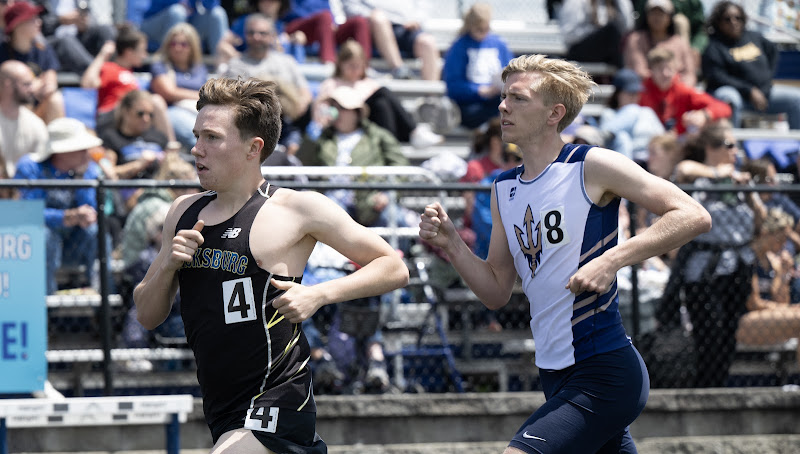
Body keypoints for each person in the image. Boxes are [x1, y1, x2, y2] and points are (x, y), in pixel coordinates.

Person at [418, 54, 711, 452]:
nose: (502, 106)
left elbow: (693, 215)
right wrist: (453, 245)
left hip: (605, 370)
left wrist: (612, 259)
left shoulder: (590, 164)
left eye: (518, 98)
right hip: (554, 374)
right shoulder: (504, 187)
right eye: (503, 96)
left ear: (555, 113)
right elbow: (496, 291)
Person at [133, 77, 409, 453]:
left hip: (279, 399)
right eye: (196, 136)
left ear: (253, 147)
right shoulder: (183, 212)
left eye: (211, 138)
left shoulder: (296, 209)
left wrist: (318, 294)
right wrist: (167, 263)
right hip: (221, 406)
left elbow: (392, 266)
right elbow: (147, 315)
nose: (196, 149)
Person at [670, 120, 760, 387]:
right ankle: (704, 387)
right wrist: (716, 172)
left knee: (729, 331)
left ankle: (719, 385)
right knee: (710, 330)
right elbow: (682, 169)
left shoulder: (740, 180)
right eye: (730, 145)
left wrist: (750, 194)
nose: (736, 151)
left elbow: (760, 221)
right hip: (705, 269)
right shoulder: (699, 176)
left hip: (738, 266)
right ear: (712, 147)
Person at [13, 117, 105, 295]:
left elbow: (91, 210)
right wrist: (65, 217)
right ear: (63, 151)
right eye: (82, 149)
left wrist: (79, 180)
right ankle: (46, 302)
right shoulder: (30, 168)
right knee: (45, 235)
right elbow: (27, 212)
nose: (88, 154)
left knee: (95, 232)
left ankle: (101, 297)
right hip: (40, 244)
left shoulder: (87, 170)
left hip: (72, 244)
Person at [312, 39, 442, 148]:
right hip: (349, 124)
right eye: (351, 65)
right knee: (382, 94)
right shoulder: (331, 84)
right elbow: (323, 110)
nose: (355, 70)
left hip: (374, 126)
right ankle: (412, 132)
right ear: (340, 64)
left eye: (359, 66)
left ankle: (392, 142)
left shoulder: (369, 83)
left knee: (382, 103)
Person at [702, 1, 800, 130]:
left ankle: (796, 147)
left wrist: (766, 79)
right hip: (738, 96)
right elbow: (717, 77)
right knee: (728, 98)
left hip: (764, 94)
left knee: (797, 99)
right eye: (727, 19)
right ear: (718, 22)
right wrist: (749, 90)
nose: (733, 22)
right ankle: (731, 146)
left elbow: (773, 52)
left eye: (738, 18)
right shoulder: (714, 46)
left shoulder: (754, 36)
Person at [81, 23, 177, 144]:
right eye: (142, 51)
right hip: (112, 117)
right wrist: (103, 55)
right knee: (155, 101)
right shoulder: (110, 68)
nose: (145, 55)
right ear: (129, 52)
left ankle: (165, 148)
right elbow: (87, 84)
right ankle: (172, 147)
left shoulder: (130, 74)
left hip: (133, 117)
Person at [735, 207, 800, 365]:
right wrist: (789, 310)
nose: (784, 244)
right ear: (766, 233)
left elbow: (781, 301)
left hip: (767, 320)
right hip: (742, 320)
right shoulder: (748, 257)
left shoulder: (774, 261)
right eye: (780, 238)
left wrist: (783, 274)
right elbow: (753, 304)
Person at [221, 14, 313, 122]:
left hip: (289, 119)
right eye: (251, 33)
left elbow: (305, 92)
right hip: (254, 122)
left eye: (262, 33)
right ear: (245, 35)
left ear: (272, 36)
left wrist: (300, 104)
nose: (256, 37)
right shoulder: (236, 64)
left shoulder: (287, 61)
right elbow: (234, 99)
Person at [442, 2, 512, 131]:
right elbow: (453, 86)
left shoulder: (499, 44)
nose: (483, 33)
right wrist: (479, 91)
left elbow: (511, 71)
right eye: (479, 30)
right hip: (470, 105)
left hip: (497, 99)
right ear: (470, 26)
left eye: (486, 29)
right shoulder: (459, 47)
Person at [639, 47, 731, 136]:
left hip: (679, 141)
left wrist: (704, 115)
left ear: (675, 70)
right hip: (647, 141)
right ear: (650, 71)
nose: (665, 74)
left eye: (669, 69)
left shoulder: (682, 90)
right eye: (659, 69)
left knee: (720, 123)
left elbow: (724, 107)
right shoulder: (641, 91)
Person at [341, 0, 441, 80]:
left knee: (428, 42)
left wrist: (417, 20)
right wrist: (371, 15)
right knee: (379, 18)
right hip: (373, 28)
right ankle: (400, 70)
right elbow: (350, 8)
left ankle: (431, 98)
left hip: (405, 27)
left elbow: (424, 6)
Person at [0, 1, 65, 123]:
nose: (39, 22)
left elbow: (51, 82)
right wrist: (29, 86)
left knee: (55, 99)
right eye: (32, 19)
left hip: (37, 109)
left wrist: (36, 86)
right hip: (9, 113)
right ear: (18, 25)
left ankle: (55, 141)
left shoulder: (43, 49)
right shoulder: (2, 51)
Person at [149, 22, 209, 151]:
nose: (177, 48)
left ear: (192, 46)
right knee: (198, 138)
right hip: (171, 111)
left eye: (183, 44)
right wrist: (200, 95)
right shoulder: (161, 65)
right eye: (173, 44)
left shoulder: (199, 68)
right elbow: (168, 92)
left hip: (197, 110)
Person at [623, 0, 697, 87]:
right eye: (653, 13)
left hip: (678, 92)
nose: (656, 17)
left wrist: (679, 90)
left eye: (661, 13)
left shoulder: (681, 43)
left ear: (670, 18)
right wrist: (663, 84)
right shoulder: (636, 40)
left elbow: (689, 74)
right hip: (647, 91)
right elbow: (639, 70)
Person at [598, 68, 664, 162]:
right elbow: (604, 140)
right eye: (630, 93)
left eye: (636, 93)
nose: (634, 97)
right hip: (619, 164)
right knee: (622, 137)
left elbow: (662, 138)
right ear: (618, 94)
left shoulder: (646, 112)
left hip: (649, 163)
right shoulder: (609, 114)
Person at [277, 0, 371, 65]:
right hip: (298, 27)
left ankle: (364, 65)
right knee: (324, 17)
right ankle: (328, 62)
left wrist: (332, 23)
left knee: (360, 21)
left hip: (324, 26)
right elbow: (285, 12)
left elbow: (329, 11)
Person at [39, 0, 117, 74]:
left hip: (79, 40)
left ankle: (116, 70)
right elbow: (36, 25)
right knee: (66, 40)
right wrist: (59, 21)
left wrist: (84, 25)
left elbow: (93, 19)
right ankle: (99, 74)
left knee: (105, 29)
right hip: (51, 44)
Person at [0, 59, 48, 176]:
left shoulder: (35, 124)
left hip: (25, 191)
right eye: (26, 84)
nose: (32, 88)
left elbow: (41, 163)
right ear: (8, 84)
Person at [557, 0, 635, 68]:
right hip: (580, 51)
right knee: (611, 29)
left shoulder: (614, 3)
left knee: (615, 31)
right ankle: (622, 67)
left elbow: (628, 27)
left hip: (607, 53)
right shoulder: (577, 2)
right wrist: (595, 31)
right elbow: (568, 34)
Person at [131, 0, 229, 54]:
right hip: (153, 26)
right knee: (178, 11)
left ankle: (222, 65)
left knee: (217, 13)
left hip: (185, 23)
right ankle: (167, 64)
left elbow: (211, 5)